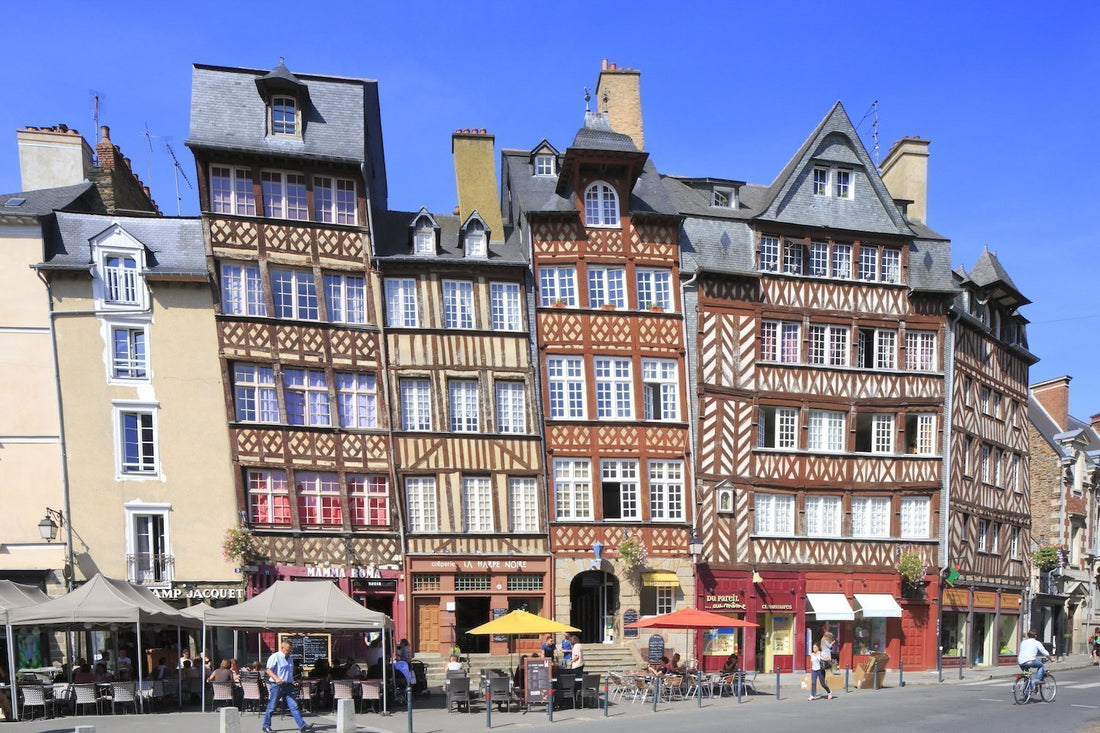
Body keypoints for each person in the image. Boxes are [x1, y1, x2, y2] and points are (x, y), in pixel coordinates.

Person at [262, 640, 313, 733]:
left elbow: (288, 672)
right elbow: (268, 670)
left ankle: (302, 726)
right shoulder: (275, 657)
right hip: (277, 685)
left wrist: (292, 680)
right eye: (288, 649)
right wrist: (276, 678)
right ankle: (266, 726)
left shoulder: (290, 658)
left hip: (288, 685)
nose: (290, 651)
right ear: (282, 648)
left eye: (291, 649)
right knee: (272, 706)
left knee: (294, 706)